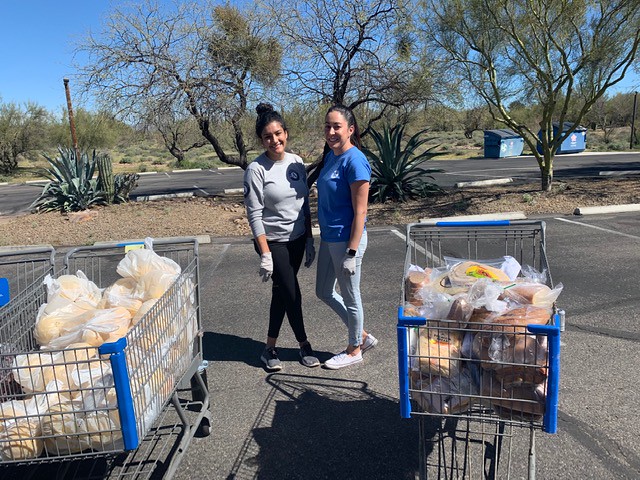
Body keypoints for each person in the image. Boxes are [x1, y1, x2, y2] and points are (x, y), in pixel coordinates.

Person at [243, 103, 319, 371]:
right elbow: (254, 214)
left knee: (282, 293)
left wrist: (309, 239)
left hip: (297, 239)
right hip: (273, 242)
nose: (274, 140)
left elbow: (304, 203)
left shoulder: (297, 162)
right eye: (267, 136)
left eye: (278, 134)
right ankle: (303, 344)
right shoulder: (256, 169)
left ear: (286, 133)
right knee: (292, 292)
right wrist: (265, 254)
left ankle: (269, 348)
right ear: (261, 140)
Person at [315, 104, 378, 369]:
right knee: (323, 291)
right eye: (328, 126)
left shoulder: (355, 161)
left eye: (337, 126)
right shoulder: (331, 156)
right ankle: (362, 336)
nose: (331, 131)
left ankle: (354, 349)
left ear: (350, 130)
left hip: (346, 241)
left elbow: (360, 211)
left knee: (351, 297)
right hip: (329, 238)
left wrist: (352, 253)